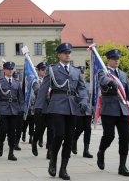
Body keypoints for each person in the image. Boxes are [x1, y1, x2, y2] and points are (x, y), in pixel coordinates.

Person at [34, 43, 88, 180]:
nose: (68, 54)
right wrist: (38, 106)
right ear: (59, 55)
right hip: (57, 105)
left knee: (69, 138)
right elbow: (43, 89)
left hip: (72, 106)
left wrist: (83, 101)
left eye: (69, 52)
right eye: (65, 53)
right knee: (59, 135)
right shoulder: (52, 70)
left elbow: (82, 89)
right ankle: (53, 159)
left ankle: (63, 169)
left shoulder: (76, 71)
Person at [96, 49, 129, 177]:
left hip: (123, 110)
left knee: (125, 138)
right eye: (114, 59)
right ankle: (101, 151)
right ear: (108, 60)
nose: (116, 61)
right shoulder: (103, 72)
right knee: (109, 136)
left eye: (118, 58)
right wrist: (110, 82)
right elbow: (102, 80)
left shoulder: (124, 75)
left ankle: (122, 166)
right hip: (109, 110)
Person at [0, 61, 24, 161]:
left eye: (11, 69)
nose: (10, 71)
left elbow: (21, 98)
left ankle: (11, 153)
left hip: (14, 110)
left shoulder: (16, 83)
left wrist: (21, 109)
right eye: (8, 69)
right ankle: (1, 143)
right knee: (3, 129)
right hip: (3, 109)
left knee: (12, 132)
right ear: (4, 70)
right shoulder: (0, 82)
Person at [32, 61, 54, 160]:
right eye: (42, 70)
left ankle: (49, 150)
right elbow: (37, 91)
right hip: (40, 108)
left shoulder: (51, 80)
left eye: (45, 70)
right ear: (39, 71)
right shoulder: (35, 81)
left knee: (51, 130)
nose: (44, 72)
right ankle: (34, 142)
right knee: (39, 129)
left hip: (51, 108)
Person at [71, 66, 93, 158]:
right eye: (80, 73)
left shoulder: (88, 85)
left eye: (83, 73)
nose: (82, 75)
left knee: (88, 129)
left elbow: (92, 98)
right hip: (78, 109)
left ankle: (86, 150)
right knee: (79, 128)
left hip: (87, 110)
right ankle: (74, 141)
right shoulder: (74, 85)